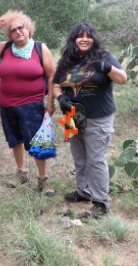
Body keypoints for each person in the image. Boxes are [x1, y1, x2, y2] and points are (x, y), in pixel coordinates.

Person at [52, 22, 127, 217]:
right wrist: (61, 98)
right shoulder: (66, 61)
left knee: (96, 160)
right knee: (80, 158)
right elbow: (56, 85)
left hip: (99, 118)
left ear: (94, 39)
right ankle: (83, 191)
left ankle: (101, 202)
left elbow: (123, 79)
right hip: (74, 116)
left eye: (88, 36)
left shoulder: (105, 58)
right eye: (80, 35)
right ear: (74, 40)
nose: (84, 39)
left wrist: (107, 68)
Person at [0, 10, 56, 196]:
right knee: (15, 140)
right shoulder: (6, 48)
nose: (18, 32)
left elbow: (53, 75)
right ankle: (22, 173)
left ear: (28, 28)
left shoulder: (39, 48)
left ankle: (43, 180)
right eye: (13, 30)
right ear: (9, 34)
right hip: (7, 104)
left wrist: (51, 102)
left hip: (33, 105)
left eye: (21, 27)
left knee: (38, 142)